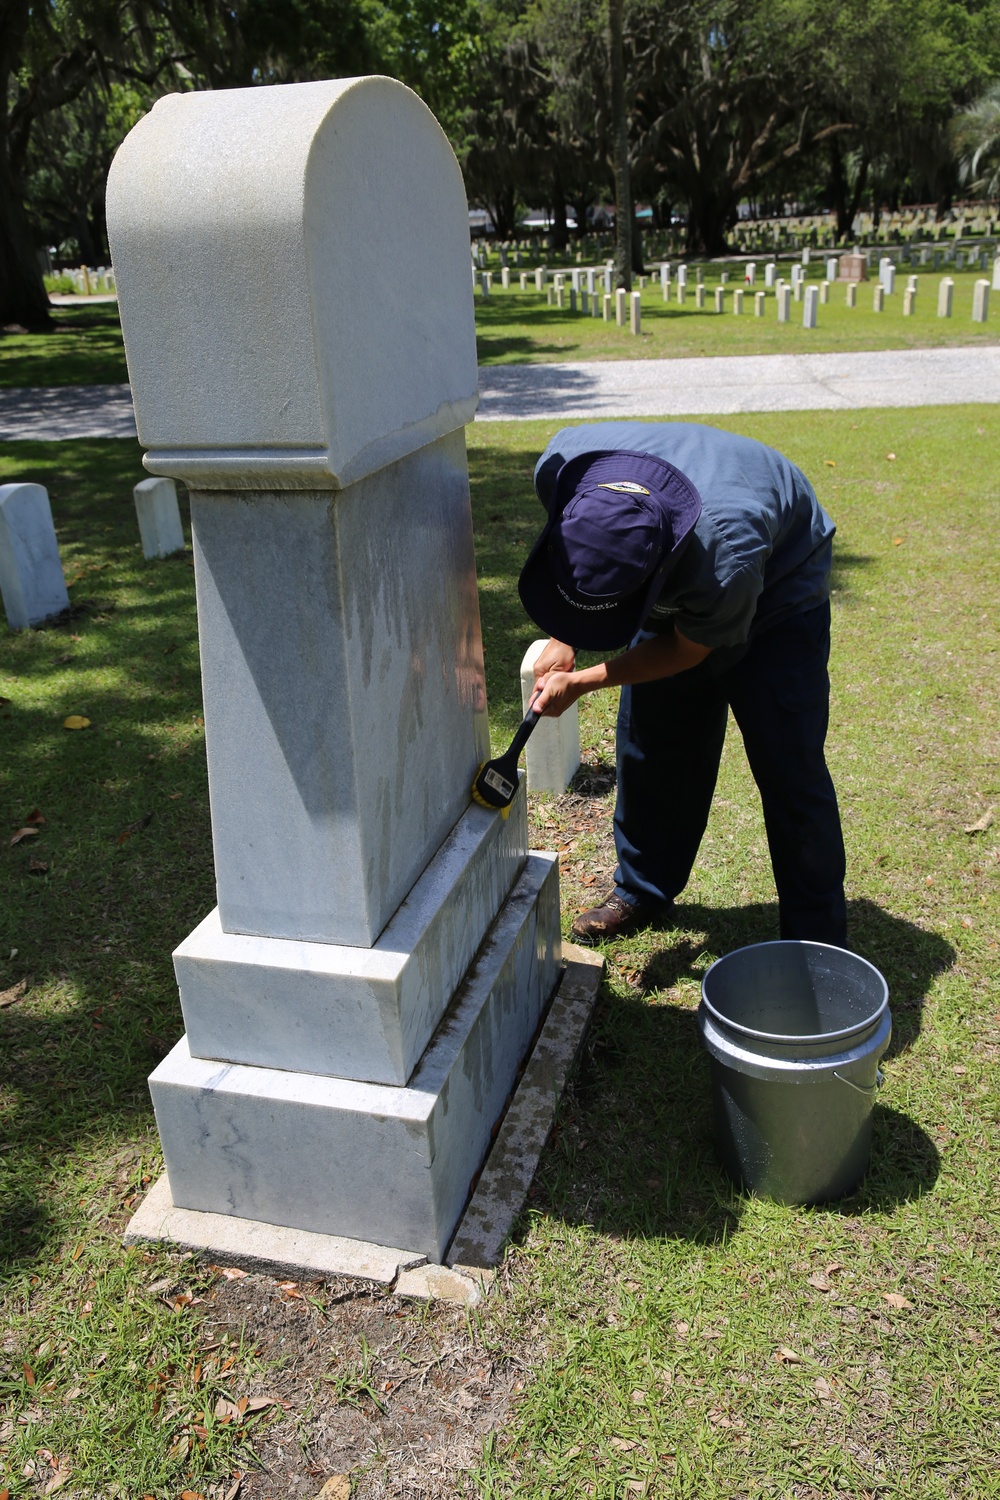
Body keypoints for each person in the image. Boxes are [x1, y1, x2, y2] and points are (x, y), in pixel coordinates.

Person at [518, 420, 847, 947]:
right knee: (654, 745)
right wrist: (566, 628)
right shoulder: (560, 467)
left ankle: (816, 939)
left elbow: (685, 650)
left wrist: (583, 681)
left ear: (659, 572)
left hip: (778, 595)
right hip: (678, 557)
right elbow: (583, 552)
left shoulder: (725, 559)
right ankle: (642, 889)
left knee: (790, 770)